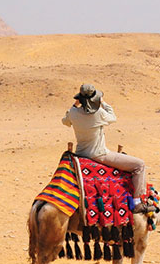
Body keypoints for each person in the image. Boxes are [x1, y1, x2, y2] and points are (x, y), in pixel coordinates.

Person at [62, 83, 152, 213]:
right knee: (140, 165)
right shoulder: (99, 113)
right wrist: (103, 103)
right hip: (99, 155)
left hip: (80, 154)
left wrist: (75, 105)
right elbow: (113, 117)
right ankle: (137, 203)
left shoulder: (73, 113)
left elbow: (65, 121)